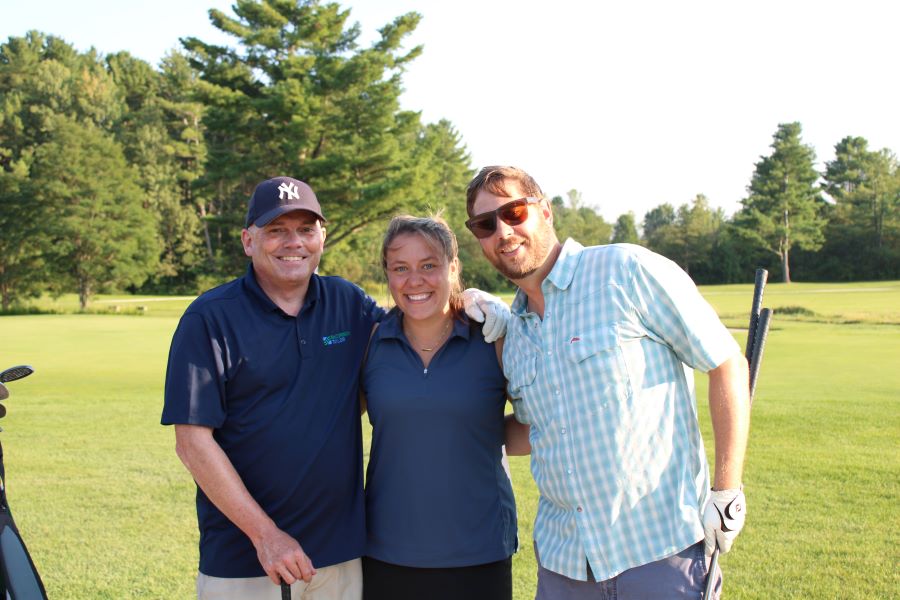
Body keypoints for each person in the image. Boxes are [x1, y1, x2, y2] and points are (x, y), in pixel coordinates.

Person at [161, 176, 509, 600]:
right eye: (276, 231)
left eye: (306, 230)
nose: (294, 243)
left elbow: (418, 311)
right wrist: (266, 535)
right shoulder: (209, 319)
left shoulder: (348, 305)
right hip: (246, 560)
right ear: (248, 241)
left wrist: (475, 300)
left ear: (321, 237)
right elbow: (192, 443)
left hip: (342, 558)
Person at [463, 166, 751, 599]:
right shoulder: (513, 333)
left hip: (659, 552)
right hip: (564, 565)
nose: (503, 231)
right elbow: (531, 431)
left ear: (545, 212)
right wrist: (443, 421)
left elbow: (726, 362)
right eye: (486, 224)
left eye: (514, 212)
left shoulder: (626, 270)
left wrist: (727, 490)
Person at [360, 215, 517, 600]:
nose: (415, 281)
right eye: (401, 268)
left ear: (453, 267)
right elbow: (334, 424)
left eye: (428, 266)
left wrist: (474, 433)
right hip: (387, 550)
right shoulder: (372, 342)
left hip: (479, 550)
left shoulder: (493, 337)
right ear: (388, 274)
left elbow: (537, 426)